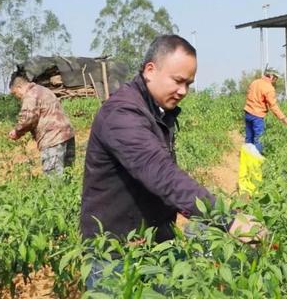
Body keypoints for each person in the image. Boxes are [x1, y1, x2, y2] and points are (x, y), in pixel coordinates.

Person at [81, 35, 265, 290]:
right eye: (178, 81)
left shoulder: (156, 110)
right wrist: (227, 219)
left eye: (189, 83)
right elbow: (161, 174)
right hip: (114, 255)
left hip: (153, 245)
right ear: (150, 70)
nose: (183, 91)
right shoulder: (122, 114)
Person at [8, 76, 75, 177]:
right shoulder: (43, 90)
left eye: (15, 93)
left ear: (19, 87)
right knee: (67, 175)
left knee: (54, 178)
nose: (17, 97)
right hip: (67, 135)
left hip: (52, 139)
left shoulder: (30, 95)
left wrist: (17, 132)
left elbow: (28, 118)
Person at [243, 70, 287, 154]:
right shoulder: (269, 88)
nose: (275, 81)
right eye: (275, 78)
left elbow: (249, 95)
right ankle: (257, 159)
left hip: (248, 113)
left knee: (249, 137)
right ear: (271, 76)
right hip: (257, 116)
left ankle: (247, 158)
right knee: (259, 138)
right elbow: (273, 106)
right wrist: (284, 119)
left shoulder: (255, 82)